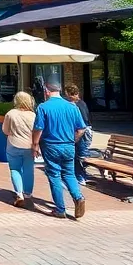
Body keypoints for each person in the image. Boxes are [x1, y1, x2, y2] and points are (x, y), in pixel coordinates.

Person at [31, 82, 88, 219]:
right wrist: (72, 140)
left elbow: (38, 128)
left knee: (54, 175)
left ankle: (60, 209)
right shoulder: (72, 107)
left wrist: (35, 144)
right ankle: (78, 197)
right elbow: (81, 129)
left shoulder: (43, 107)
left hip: (51, 146)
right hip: (68, 146)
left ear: (46, 91)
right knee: (69, 174)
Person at [2, 92, 37, 208]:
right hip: (29, 145)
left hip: (13, 144)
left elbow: (5, 131)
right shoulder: (33, 115)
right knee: (28, 170)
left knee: (15, 169)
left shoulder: (11, 114)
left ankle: (19, 194)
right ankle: (27, 194)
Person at [64, 83, 97, 185]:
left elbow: (83, 123)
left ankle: (81, 177)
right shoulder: (81, 103)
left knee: (80, 155)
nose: (65, 97)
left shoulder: (76, 105)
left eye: (66, 94)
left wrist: (75, 137)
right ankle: (80, 175)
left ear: (70, 94)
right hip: (85, 130)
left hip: (81, 132)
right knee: (79, 154)